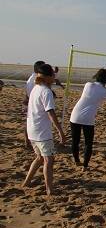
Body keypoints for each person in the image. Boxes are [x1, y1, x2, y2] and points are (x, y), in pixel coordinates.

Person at [22, 64, 66, 196]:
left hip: (32, 130)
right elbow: (51, 113)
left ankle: (26, 182)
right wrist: (60, 132)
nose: (54, 77)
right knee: (49, 160)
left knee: (40, 158)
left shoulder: (36, 88)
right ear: (47, 77)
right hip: (41, 132)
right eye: (52, 75)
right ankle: (49, 190)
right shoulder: (46, 92)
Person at [69, 69, 106, 171]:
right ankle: (85, 166)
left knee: (75, 141)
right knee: (88, 143)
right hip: (88, 118)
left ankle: (77, 161)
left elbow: (96, 88)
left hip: (75, 115)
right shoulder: (104, 91)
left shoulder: (88, 85)